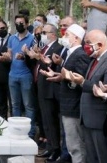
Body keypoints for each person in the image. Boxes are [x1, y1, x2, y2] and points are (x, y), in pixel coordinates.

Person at [64, 29, 107, 163]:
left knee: (102, 156)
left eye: (89, 43)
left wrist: (82, 82)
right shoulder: (94, 59)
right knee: (91, 156)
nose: (85, 46)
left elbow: (105, 88)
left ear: (100, 45)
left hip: (99, 119)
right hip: (87, 118)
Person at [41, 24, 90, 163]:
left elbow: (79, 80)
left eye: (67, 35)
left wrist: (67, 77)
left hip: (73, 106)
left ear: (76, 38)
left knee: (76, 145)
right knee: (71, 143)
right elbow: (67, 75)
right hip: (66, 105)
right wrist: (58, 76)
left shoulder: (80, 54)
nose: (64, 37)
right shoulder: (70, 53)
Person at [26, 23, 64, 162]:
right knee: (45, 121)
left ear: (53, 34)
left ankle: (55, 149)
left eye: (45, 32)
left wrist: (40, 58)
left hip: (50, 89)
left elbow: (52, 65)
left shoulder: (58, 48)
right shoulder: (44, 47)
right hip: (41, 87)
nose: (42, 35)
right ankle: (49, 147)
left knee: (51, 120)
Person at [6, 14, 36, 139]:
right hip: (12, 74)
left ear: (27, 24)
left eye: (21, 23)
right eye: (17, 23)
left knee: (28, 105)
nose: (19, 25)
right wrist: (5, 56)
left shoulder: (32, 38)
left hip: (26, 75)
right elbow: (9, 54)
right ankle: (16, 130)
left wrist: (25, 55)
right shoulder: (12, 38)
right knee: (15, 104)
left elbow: (34, 55)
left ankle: (30, 132)